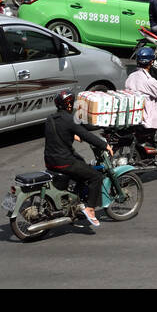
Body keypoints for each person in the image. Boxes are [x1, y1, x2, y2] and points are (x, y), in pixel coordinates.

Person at [43, 90, 111, 228]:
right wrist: (105, 145)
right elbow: (87, 136)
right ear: (68, 105)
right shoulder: (70, 120)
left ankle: (75, 201)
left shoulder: (50, 118)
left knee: (81, 165)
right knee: (96, 176)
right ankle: (90, 209)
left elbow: (55, 133)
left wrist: (71, 135)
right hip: (64, 161)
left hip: (50, 160)